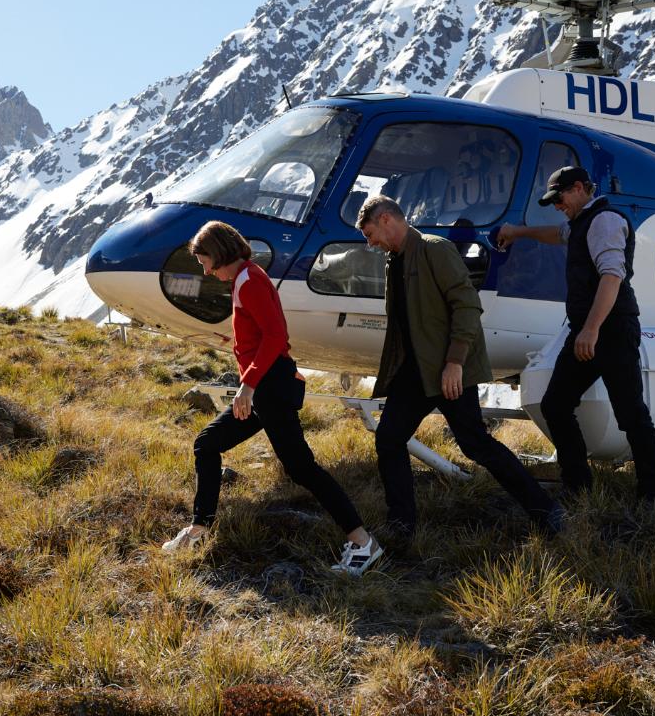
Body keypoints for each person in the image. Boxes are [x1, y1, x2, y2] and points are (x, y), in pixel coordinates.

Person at [162, 221, 383, 576]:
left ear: (220, 254)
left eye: (206, 262)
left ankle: (363, 543)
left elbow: (276, 337)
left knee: (301, 468)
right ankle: (199, 529)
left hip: (269, 388)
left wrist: (247, 385)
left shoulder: (249, 281)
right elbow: (261, 333)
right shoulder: (245, 279)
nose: (205, 270)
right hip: (264, 386)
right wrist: (238, 347)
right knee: (208, 443)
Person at [355, 196, 562, 545]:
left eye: (371, 233)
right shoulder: (395, 260)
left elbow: (467, 306)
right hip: (415, 371)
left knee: (475, 445)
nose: (370, 243)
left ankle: (546, 511)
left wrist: (454, 363)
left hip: (448, 370)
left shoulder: (436, 251)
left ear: (387, 219)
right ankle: (401, 526)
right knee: (389, 439)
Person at [497, 166, 655, 505]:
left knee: (631, 413)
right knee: (556, 405)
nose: (557, 206)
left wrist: (590, 329)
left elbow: (611, 277)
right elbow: (557, 234)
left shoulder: (604, 221)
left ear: (578, 188)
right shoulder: (581, 222)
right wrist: (518, 232)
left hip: (612, 328)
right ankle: (577, 486)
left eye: (559, 198)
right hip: (585, 330)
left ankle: (654, 495)